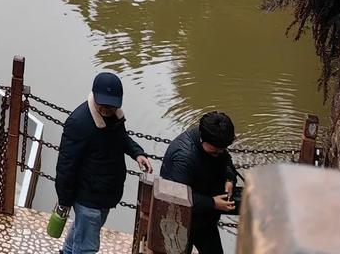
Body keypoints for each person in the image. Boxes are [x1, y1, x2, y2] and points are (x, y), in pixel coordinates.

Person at [55, 72, 153, 254]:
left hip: (107, 193)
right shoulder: (79, 123)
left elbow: (121, 138)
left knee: (81, 233)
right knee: (87, 247)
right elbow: (66, 165)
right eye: (104, 104)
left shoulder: (115, 116)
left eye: (111, 104)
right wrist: (64, 201)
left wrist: (137, 153)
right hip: (88, 196)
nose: (107, 109)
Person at [160, 112, 238, 254]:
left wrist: (229, 179)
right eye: (215, 151)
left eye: (222, 149)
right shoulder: (183, 158)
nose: (219, 152)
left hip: (205, 220)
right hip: (182, 221)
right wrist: (212, 203)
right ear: (203, 139)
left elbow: (226, 160)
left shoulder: (215, 142)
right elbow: (177, 199)